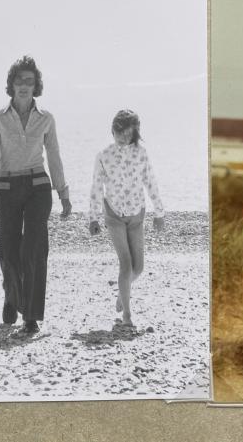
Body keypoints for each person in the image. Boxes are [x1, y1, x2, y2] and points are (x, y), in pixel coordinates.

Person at [0, 55, 72, 334]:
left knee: (33, 249)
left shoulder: (46, 119)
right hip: (7, 188)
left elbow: (54, 156)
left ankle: (31, 316)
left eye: (29, 81)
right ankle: (12, 296)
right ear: (11, 85)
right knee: (9, 253)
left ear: (36, 87)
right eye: (19, 80)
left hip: (38, 187)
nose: (24, 85)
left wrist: (63, 192)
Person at [88, 110, 165, 326]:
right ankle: (127, 316)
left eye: (129, 134)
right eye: (120, 133)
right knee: (125, 263)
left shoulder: (141, 154)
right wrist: (93, 218)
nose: (124, 137)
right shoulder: (103, 155)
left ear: (135, 133)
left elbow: (151, 182)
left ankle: (122, 293)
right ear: (113, 131)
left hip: (136, 214)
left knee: (138, 267)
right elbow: (96, 188)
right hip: (113, 214)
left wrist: (159, 212)